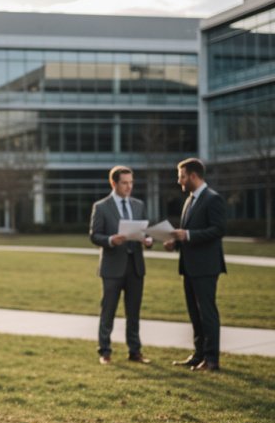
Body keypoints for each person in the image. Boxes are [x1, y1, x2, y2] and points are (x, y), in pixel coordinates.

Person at [163, 158, 227, 372]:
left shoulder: (212, 199)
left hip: (206, 267)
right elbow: (189, 235)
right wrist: (176, 242)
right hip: (189, 267)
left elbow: (218, 230)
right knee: (194, 313)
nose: (178, 180)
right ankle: (199, 354)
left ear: (192, 176)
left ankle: (212, 360)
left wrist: (187, 234)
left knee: (207, 313)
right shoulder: (189, 200)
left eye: (181, 176)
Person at [89, 165, 153, 365]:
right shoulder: (101, 206)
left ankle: (135, 351)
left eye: (131, 182)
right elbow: (94, 235)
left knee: (133, 312)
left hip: (135, 266)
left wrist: (148, 240)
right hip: (112, 267)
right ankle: (105, 351)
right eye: (124, 183)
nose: (129, 187)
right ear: (113, 183)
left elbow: (145, 231)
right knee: (108, 311)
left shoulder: (138, 205)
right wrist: (110, 240)